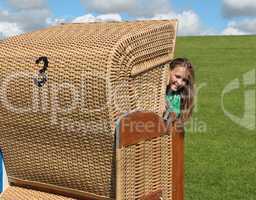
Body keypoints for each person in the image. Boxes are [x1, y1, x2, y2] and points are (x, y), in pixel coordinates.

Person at [163, 57, 195, 124]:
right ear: (168, 71)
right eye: (177, 76)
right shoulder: (158, 91)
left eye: (184, 80)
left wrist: (168, 109)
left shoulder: (177, 97)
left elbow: (173, 118)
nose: (179, 82)